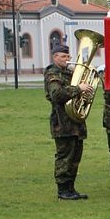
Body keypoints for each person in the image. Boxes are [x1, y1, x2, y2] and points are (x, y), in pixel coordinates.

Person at [44, 43, 92, 200]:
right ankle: (63, 190)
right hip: (62, 122)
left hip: (75, 122)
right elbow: (57, 95)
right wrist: (78, 88)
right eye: (63, 56)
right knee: (65, 156)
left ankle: (71, 188)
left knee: (75, 157)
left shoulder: (68, 73)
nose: (67, 59)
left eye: (68, 56)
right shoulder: (53, 73)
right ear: (55, 57)